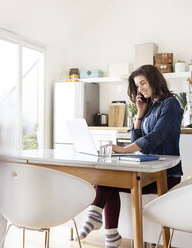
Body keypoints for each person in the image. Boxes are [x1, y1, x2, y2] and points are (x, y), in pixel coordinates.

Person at [78, 64, 183, 247]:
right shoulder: (149, 107)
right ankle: (110, 235)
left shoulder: (170, 104)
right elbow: (139, 139)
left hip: (165, 175)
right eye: (137, 85)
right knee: (110, 177)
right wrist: (139, 115)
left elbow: (156, 137)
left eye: (143, 83)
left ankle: (98, 220)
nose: (140, 88)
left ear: (154, 80)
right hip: (147, 171)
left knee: (109, 179)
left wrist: (124, 149)